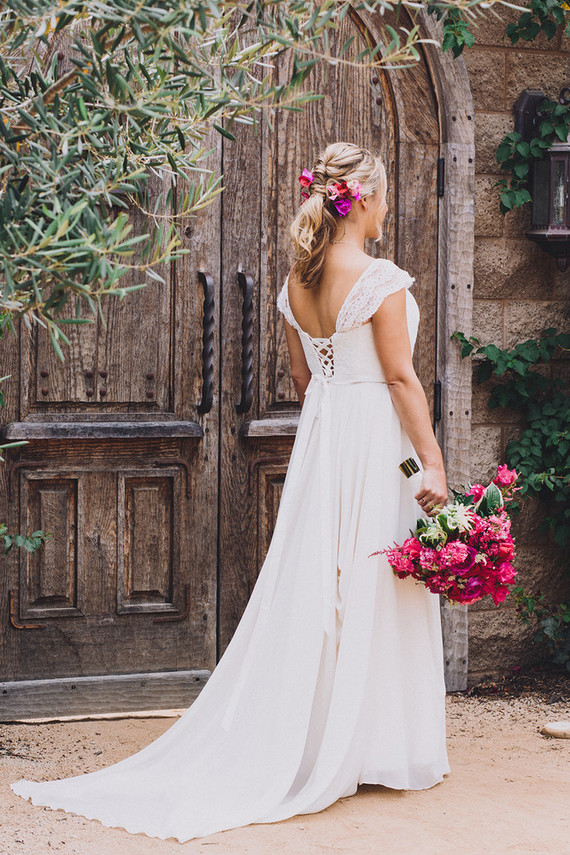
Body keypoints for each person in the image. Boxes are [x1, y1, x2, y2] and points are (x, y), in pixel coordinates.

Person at [11, 141, 451, 843]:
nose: (390, 205)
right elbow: (401, 380)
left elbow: (305, 382)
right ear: (362, 197)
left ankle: (323, 733)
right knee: (376, 576)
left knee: (324, 577)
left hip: (325, 439)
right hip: (376, 441)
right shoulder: (382, 279)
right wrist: (431, 463)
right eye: (387, 192)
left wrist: (338, 418)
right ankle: (373, 743)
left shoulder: (294, 284)